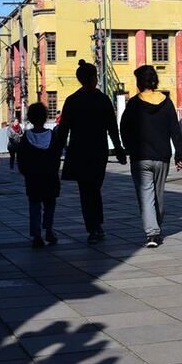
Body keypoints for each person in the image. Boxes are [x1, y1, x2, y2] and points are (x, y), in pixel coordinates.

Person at [57, 60, 127, 244]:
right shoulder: (102, 100)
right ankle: (96, 225)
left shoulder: (72, 101)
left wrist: (55, 153)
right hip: (98, 150)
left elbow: (63, 130)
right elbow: (112, 128)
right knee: (94, 188)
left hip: (79, 151)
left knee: (86, 190)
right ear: (94, 78)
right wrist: (119, 149)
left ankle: (94, 225)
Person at [121, 65, 182, 248]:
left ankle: (153, 233)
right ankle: (155, 228)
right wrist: (180, 155)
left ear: (139, 82)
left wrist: (129, 148)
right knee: (158, 195)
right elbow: (175, 130)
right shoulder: (166, 102)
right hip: (162, 157)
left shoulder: (134, 103)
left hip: (140, 158)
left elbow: (124, 128)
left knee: (146, 196)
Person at [17, 103, 61, 248]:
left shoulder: (26, 137)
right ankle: (49, 230)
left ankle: (36, 235)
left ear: (29, 118)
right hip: (50, 177)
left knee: (34, 205)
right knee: (50, 204)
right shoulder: (52, 136)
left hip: (33, 178)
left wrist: (25, 172)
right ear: (45, 117)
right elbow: (56, 157)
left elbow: (21, 159)